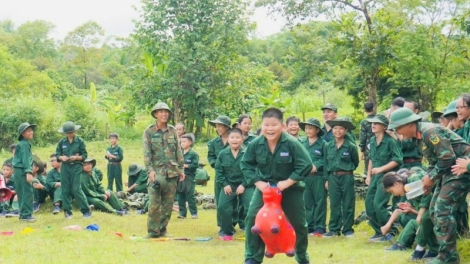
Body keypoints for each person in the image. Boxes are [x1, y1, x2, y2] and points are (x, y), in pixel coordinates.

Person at [389, 107, 470, 264]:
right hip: (449, 171)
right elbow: (435, 161)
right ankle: (440, 252)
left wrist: (431, 178)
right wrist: (427, 179)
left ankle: (449, 258)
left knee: (442, 211)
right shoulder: (419, 138)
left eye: (398, 127)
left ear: (409, 124)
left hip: (460, 169)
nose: (398, 131)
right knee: (433, 211)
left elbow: (447, 157)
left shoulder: (429, 132)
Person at [241, 107, 312, 264]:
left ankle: (301, 257)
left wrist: (287, 182)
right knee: (252, 219)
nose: (270, 129)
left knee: (298, 223)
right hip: (265, 190)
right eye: (266, 125)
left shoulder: (292, 143)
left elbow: (306, 165)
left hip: (291, 189)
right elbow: (245, 164)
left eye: (274, 125)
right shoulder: (256, 143)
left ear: (282, 126)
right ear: (262, 125)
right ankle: (252, 258)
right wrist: (258, 183)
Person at [143, 102, 185, 238]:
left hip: (172, 173)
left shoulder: (173, 130)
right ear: (155, 114)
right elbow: (146, 153)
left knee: (168, 204)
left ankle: (162, 229)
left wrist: (181, 170)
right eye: (160, 112)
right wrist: (150, 170)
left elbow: (178, 151)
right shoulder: (149, 131)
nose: (163, 114)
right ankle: (152, 231)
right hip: (157, 173)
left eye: (166, 112)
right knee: (154, 204)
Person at [383, 168, 438, 261]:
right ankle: (428, 249)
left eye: (392, 191)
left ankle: (429, 250)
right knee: (417, 220)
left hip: (439, 209)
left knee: (422, 219)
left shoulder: (413, 180)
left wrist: (420, 214)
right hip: (433, 212)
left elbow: (428, 194)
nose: (394, 194)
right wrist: (411, 208)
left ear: (396, 184)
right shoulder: (407, 189)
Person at [365, 114, 403, 242]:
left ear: (384, 126)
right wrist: (368, 175)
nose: (373, 125)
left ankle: (390, 231)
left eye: (377, 123)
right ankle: (378, 231)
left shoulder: (391, 141)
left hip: (387, 177)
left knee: (378, 205)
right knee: (369, 205)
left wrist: (381, 169)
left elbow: (398, 160)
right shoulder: (372, 140)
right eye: (372, 123)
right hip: (375, 176)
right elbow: (371, 158)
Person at [323, 117, 359, 238]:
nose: (338, 131)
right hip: (332, 177)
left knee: (348, 202)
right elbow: (325, 164)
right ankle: (334, 228)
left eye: (341, 129)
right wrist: (327, 179)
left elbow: (356, 162)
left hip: (347, 177)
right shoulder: (328, 146)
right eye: (335, 128)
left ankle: (348, 229)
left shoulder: (351, 146)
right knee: (334, 203)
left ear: (346, 131)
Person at [216, 128, 254, 240]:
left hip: (245, 185)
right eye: (232, 137)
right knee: (223, 207)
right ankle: (227, 231)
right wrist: (224, 184)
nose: (234, 140)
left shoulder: (248, 153)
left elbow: (253, 170)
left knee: (251, 206)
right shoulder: (223, 154)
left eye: (237, 137)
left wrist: (244, 184)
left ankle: (252, 231)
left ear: (242, 139)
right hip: (229, 185)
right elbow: (219, 171)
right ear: (228, 139)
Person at [56, 121, 92, 219]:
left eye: (71, 132)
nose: (69, 134)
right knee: (65, 189)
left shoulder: (80, 141)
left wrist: (76, 158)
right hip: (65, 167)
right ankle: (67, 212)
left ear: (74, 131)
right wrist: (61, 158)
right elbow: (57, 155)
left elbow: (84, 156)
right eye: (67, 133)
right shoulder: (61, 142)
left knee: (76, 189)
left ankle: (86, 210)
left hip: (76, 166)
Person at [299, 118, 327, 235]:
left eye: (311, 128)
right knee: (307, 202)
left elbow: (326, 160)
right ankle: (309, 225)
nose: (308, 130)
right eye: (306, 128)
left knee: (320, 201)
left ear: (317, 130)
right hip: (305, 177)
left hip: (318, 177)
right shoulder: (301, 143)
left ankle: (320, 226)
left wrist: (317, 165)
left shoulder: (323, 144)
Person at [207, 115, 231, 231]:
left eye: (220, 125)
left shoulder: (234, 139)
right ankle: (222, 224)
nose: (218, 128)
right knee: (219, 199)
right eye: (216, 126)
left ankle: (235, 223)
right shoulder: (213, 143)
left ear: (227, 127)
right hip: (220, 175)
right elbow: (211, 157)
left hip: (234, 174)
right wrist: (216, 164)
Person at [12, 122, 36, 222]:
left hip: (18, 170)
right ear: (23, 134)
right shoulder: (25, 144)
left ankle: (23, 214)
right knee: (27, 191)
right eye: (28, 131)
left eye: (31, 130)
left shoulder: (22, 144)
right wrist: (28, 172)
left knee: (21, 191)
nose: (31, 132)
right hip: (22, 170)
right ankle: (26, 215)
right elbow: (26, 160)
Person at [177, 134, 199, 219]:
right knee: (180, 195)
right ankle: (182, 213)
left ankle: (194, 213)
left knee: (190, 195)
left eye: (184, 141)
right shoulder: (179, 153)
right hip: (179, 176)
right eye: (181, 142)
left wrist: (186, 166)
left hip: (189, 176)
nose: (182, 143)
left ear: (190, 142)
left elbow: (195, 165)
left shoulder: (193, 154)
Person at [359, 102, 376, 175]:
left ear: (364, 110)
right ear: (374, 108)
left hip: (368, 148)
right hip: (380, 146)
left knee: (368, 168)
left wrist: (362, 151)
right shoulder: (379, 120)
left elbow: (363, 137)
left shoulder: (364, 122)